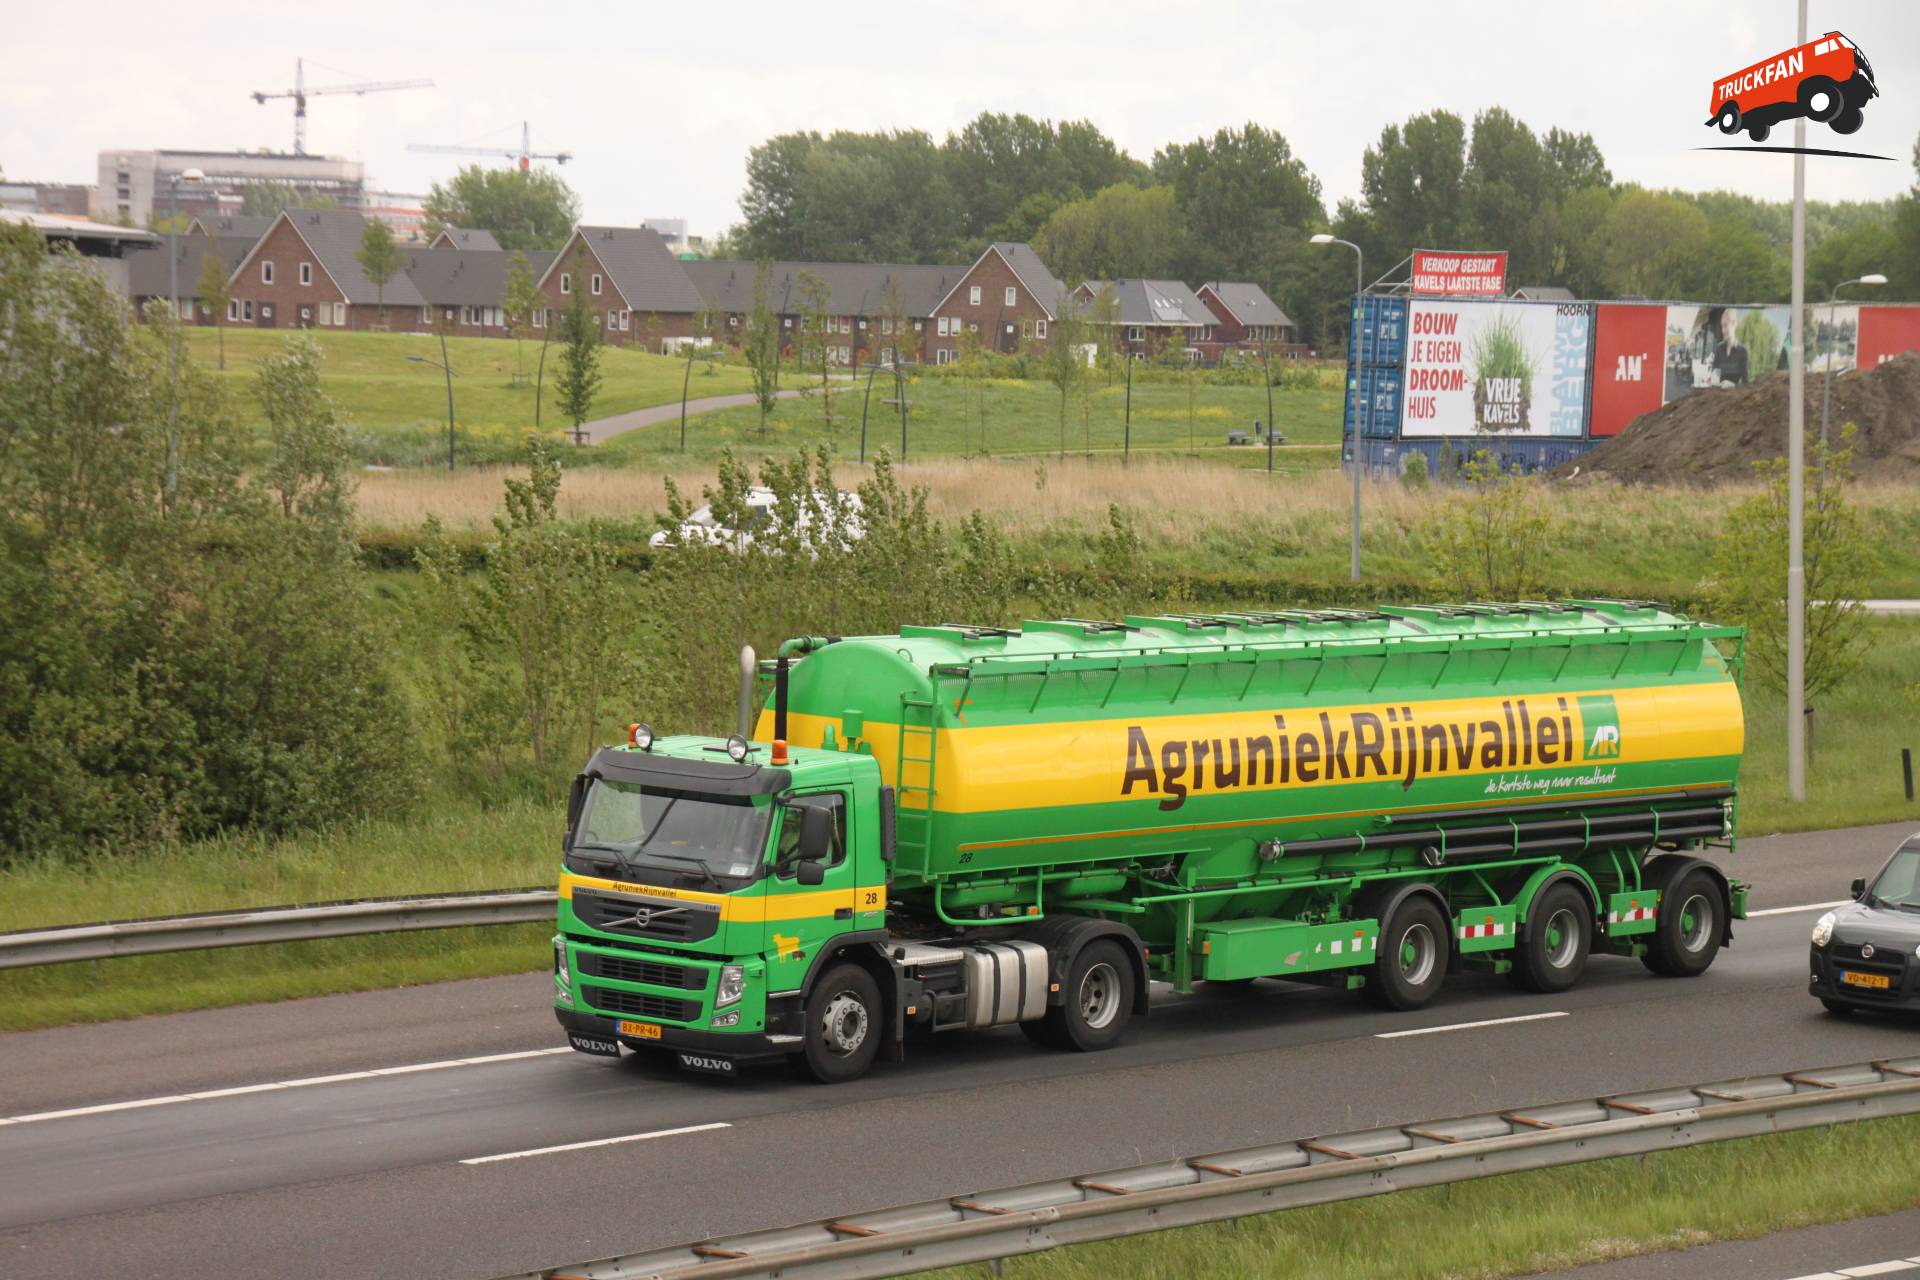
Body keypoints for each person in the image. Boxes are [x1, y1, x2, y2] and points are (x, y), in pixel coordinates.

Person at [1706, 308, 1749, 387]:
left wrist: (1733, 386)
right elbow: (1715, 374)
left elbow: (1746, 384)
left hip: (1733, 397)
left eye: (1725, 325)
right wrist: (1711, 379)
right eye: (1722, 326)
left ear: (1734, 324)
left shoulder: (1742, 351)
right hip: (1717, 395)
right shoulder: (1718, 348)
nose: (1723, 330)